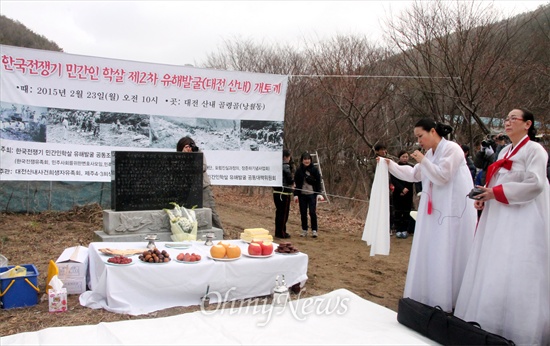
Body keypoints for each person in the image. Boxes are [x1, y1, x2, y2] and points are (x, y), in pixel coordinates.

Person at [454, 108, 549, 345]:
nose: (507, 122)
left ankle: (520, 328)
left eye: (512, 118)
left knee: (518, 263)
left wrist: (495, 193)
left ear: (528, 124)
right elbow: (495, 179)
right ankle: (490, 318)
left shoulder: (535, 150)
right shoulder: (504, 150)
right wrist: (484, 195)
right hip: (499, 214)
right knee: (496, 261)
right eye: (506, 119)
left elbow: (535, 184)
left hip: (523, 216)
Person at [383, 118, 477, 312]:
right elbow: (413, 174)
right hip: (434, 210)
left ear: (432, 131)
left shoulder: (452, 149)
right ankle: (431, 292)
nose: (419, 141)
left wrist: (423, 160)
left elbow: (443, 175)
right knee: (434, 248)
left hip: (452, 210)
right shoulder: (430, 154)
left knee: (449, 247)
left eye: (420, 136)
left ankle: (451, 297)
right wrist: (389, 165)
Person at [176, 136, 224, 233]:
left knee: (211, 212)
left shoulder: (198, 154)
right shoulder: (177, 157)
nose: (189, 149)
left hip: (203, 188)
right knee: (189, 213)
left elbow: (203, 167)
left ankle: (222, 234)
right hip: (187, 190)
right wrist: (183, 156)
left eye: (190, 146)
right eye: (186, 147)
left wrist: (193, 155)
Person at [293, 152, 323, 238]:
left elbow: (318, 182)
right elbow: (296, 183)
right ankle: (304, 229)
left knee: (312, 212)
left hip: (312, 194)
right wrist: (295, 195)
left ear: (310, 160)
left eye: (308, 159)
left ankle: (314, 230)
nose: (307, 161)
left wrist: (319, 193)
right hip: (302, 195)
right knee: (303, 212)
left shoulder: (315, 170)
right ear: (302, 160)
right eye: (305, 159)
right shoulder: (299, 171)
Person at [390, 150, 415, 239]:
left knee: (406, 211)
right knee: (398, 211)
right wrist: (401, 189)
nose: (405, 158)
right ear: (399, 157)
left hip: (408, 192)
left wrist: (406, 188)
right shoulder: (395, 167)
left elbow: (413, 178)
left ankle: (405, 229)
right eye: (403, 157)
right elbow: (393, 179)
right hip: (397, 192)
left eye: (406, 157)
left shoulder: (411, 167)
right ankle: (398, 229)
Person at [273, 149, 294, 239]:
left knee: (279, 213)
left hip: (276, 192)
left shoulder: (275, 165)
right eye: (289, 157)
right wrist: (293, 182)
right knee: (284, 214)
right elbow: (289, 179)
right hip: (284, 193)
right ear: (285, 157)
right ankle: (281, 232)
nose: (289, 159)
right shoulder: (285, 166)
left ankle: (279, 231)